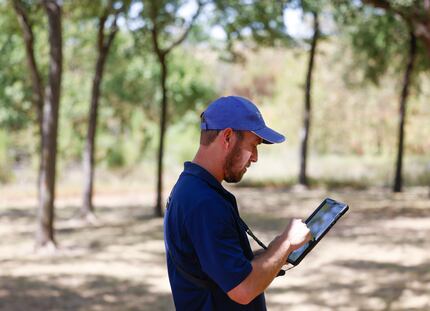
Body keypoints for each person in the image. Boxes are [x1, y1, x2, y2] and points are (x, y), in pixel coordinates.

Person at [164, 96, 312, 310]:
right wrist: (287, 243)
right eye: (253, 145)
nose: (255, 158)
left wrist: (277, 252)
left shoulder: (193, 189)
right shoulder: (204, 202)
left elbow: (221, 267)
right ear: (227, 137)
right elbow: (242, 289)